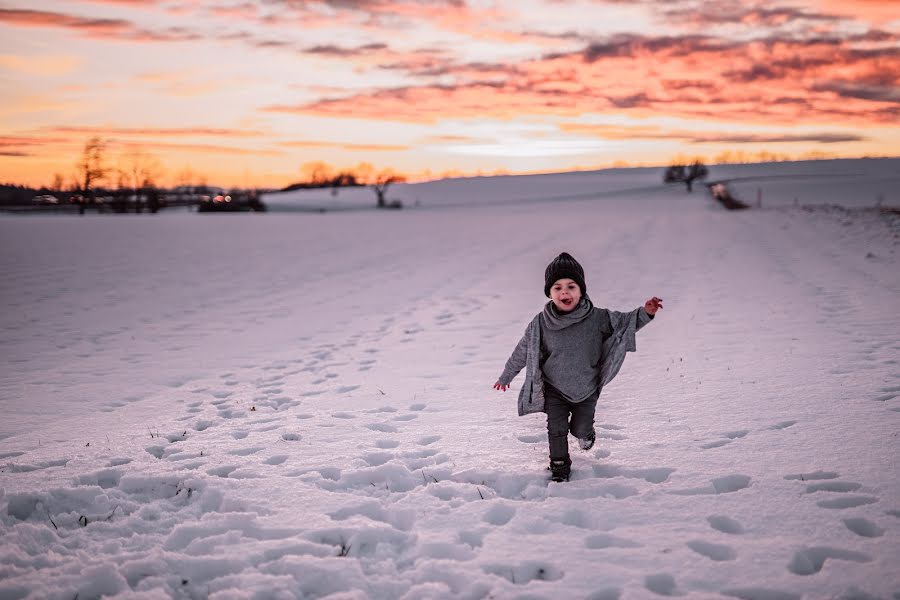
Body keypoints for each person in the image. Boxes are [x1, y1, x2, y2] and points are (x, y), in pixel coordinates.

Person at [494, 252, 662, 482]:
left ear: (581, 290)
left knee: (579, 429)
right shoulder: (541, 323)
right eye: (557, 287)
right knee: (556, 429)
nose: (565, 292)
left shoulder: (598, 318)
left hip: (587, 389)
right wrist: (506, 376)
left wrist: (646, 313)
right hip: (555, 388)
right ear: (549, 293)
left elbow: (625, 323)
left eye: (571, 286)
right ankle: (559, 467)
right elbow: (523, 350)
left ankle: (586, 434)